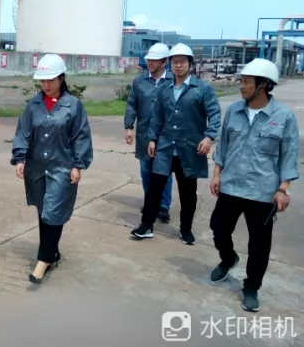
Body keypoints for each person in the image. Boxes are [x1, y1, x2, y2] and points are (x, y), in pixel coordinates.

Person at [209, 58, 299, 312]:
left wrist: (283, 189)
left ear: (264, 85)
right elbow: (224, 146)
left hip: (263, 192)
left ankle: (251, 287)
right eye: (241, 80)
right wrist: (216, 174)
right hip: (231, 185)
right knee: (218, 228)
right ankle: (228, 258)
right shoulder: (234, 111)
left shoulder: (283, 117)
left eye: (246, 81)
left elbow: (288, 155)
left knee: (259, 244)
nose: (241, 85)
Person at [11, 54, 93, 284]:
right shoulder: (33, 105)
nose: (46, 85)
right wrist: (19, 158)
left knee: (54, 210)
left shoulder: (73, 105)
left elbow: (81, 136)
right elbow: (23, 132)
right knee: (43, 210)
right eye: (42, 80)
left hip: (62, 166)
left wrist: (78, 164)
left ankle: (43, 260)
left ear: (61, 78)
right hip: (37, 166)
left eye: (51, 80)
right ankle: (52, 252)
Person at [131, 43, 221, 245]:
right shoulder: (164, 90)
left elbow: (215, 115)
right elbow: (157, 117)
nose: (178, 66)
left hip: (188, 150)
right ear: (170, 64)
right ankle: (146, 226)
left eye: (182, 62)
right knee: (154, 189)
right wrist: (152, 139)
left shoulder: (202, 89)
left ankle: (185, 229)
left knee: (187, 192)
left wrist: (208, 137)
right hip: (165, 148)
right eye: (175, 62)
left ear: (190, 64)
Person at [124, 43, 174, 222]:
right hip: (145, 133)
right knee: (146, 169)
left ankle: (163, 206)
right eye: (149, 60)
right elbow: (132, 104)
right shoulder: (140, 81)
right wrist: (129, 127)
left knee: (165, 171)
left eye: (154, 60)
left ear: (164, 62)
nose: (150, 63)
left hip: (166, 135)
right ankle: (150, 200)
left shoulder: (173, 81)